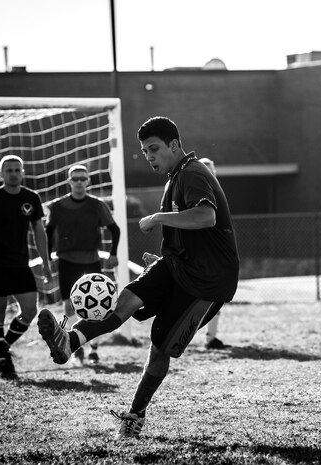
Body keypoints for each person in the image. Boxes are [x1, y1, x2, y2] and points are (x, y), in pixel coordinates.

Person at [37, 116, 239, 437]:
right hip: (177, 266)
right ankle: (69, 341)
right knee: (126, 301)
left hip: (206, 282)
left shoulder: (193, 172)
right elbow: (190, 232)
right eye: (145, 151)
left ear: (174, 145)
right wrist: (164, 257)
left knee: (158, 350)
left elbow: (206, 216)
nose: (150, 157)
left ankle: (133, 418)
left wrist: (157, 217)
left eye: (155, 149)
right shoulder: (176, 176)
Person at [0, 155, 52, 379]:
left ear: (22, 172)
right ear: (1, 174)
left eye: (17, 170)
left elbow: (39, 232)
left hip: (20, 265)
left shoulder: (31, 198)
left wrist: (46, 262)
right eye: (9, 170)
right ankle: (3, 363)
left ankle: (2, 347)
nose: (13, 174)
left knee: (30, 311)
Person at [45, 164, 121, 364]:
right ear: (69, 182)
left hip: (91, 261)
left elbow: (115, 230)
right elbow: (48, 232)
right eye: (75, 179)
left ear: (88, 181)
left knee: (98, 308)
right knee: (70, 306)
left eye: (82, 179)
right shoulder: (58, 206)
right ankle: (75, 346)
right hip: (66, 261)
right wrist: (47, 257)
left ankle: (94, 349)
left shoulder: (97, 205)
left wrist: (113, 253)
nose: (79, 182)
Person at [198, 157, 230, 350]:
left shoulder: (218, 194)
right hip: (199, 255)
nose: (210, 173)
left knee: (217, 297)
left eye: (212, 170)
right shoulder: (196, 193)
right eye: (205, 170)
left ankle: (211, 337)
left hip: (216, 255)